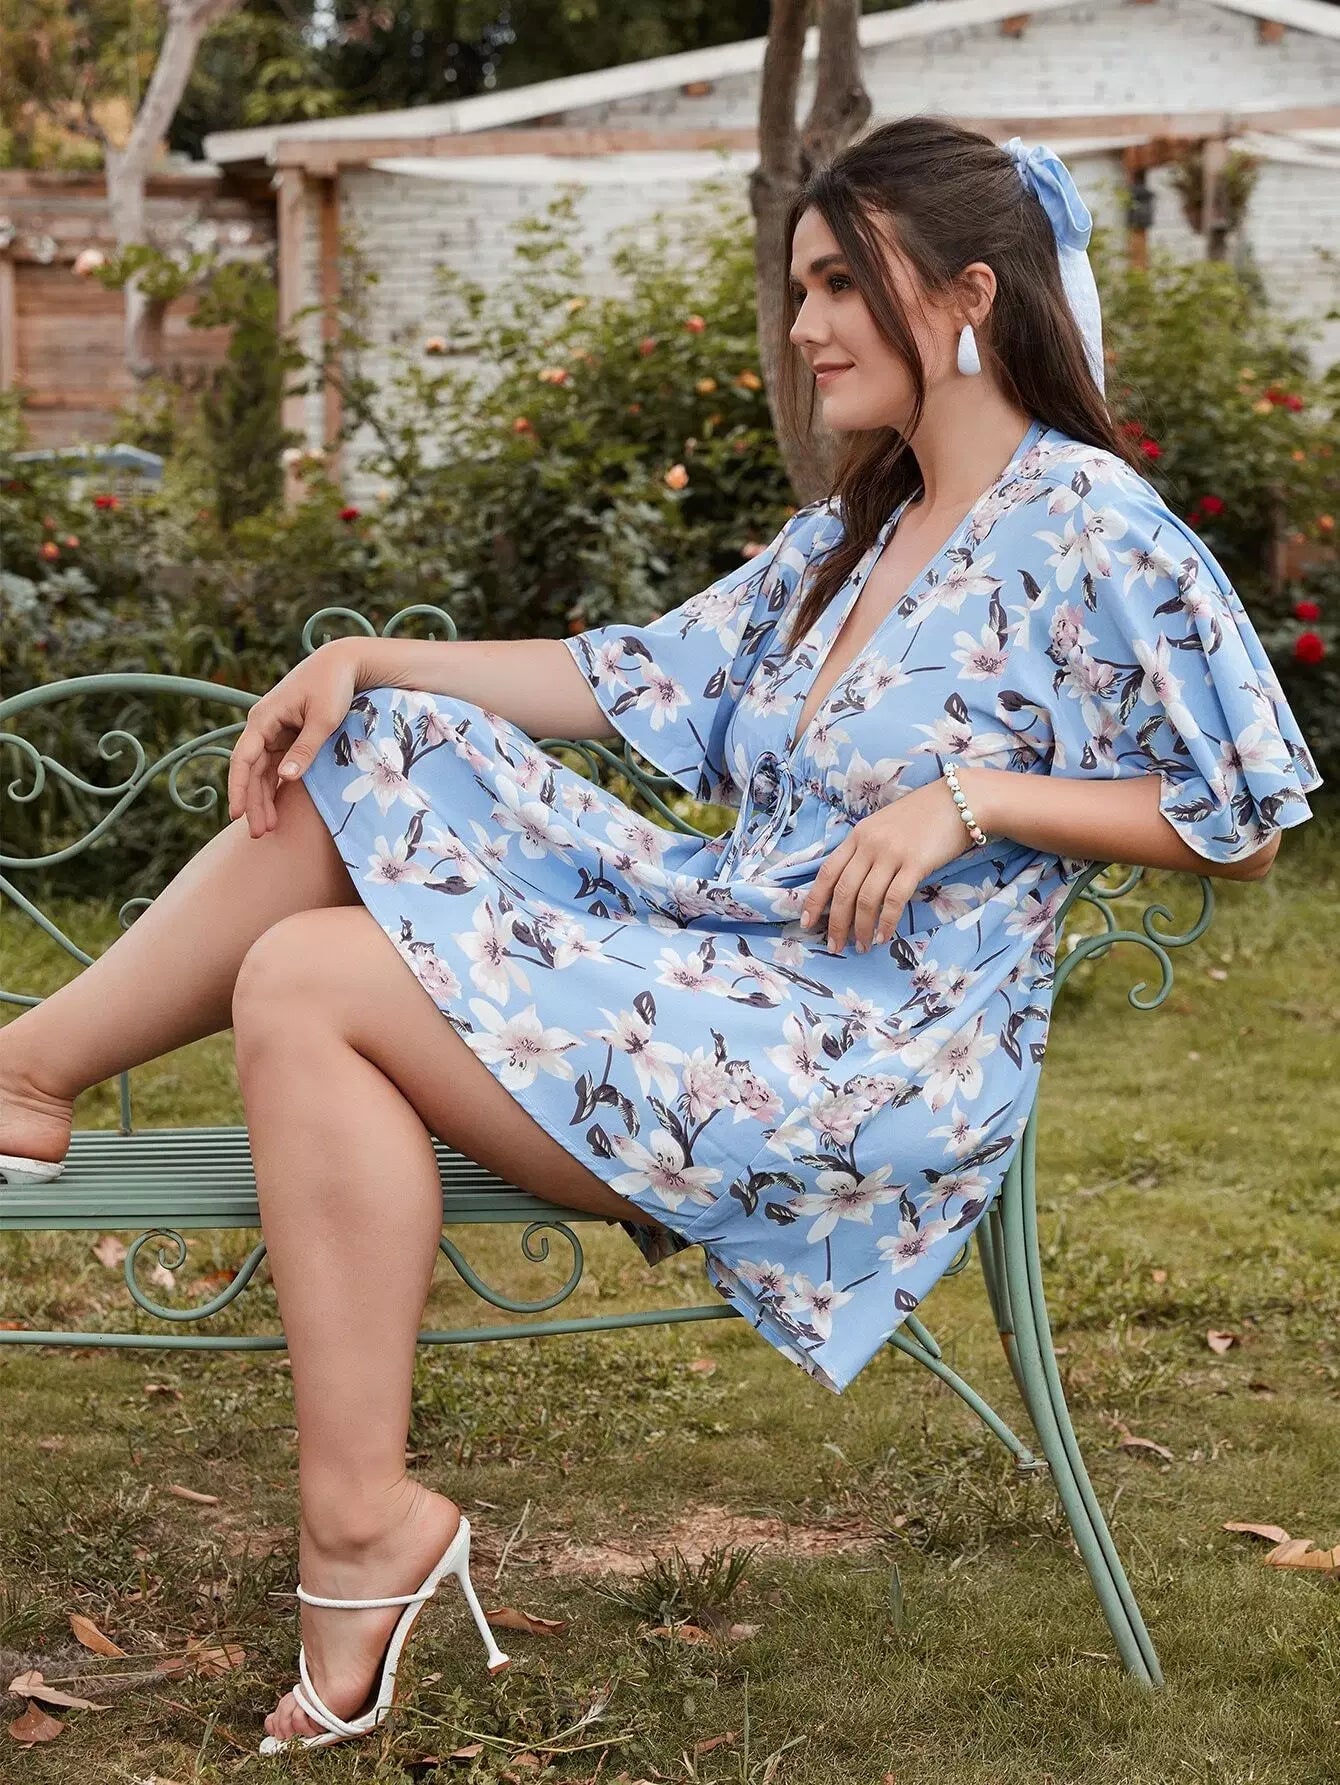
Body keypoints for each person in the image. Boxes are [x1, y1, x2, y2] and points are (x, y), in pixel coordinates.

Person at [0, 115, 1322, 1751]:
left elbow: (1244, 816)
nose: (805, 324)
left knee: (308, 979)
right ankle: (45, 1096)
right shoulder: (854, 533)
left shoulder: (1095, 524)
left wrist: (974, 801)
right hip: (727, 958)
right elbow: (623, 674)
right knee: (371, 750)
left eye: (839, 284)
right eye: (800, 288)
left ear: (970, 293)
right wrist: (365, 661)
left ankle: (361, 1525)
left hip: (860, 1055)